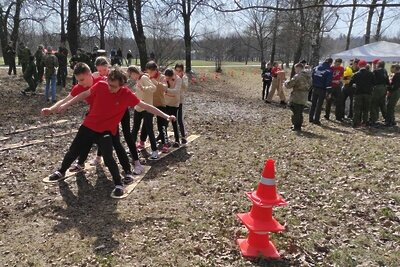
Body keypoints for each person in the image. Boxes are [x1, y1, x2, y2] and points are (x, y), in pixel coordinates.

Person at [43, 67, 175, 196]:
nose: (110, 88)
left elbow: (146, 106)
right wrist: (64, 105)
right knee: (74, 150)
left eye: (114, 86)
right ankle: (61, 171)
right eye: (109, 84)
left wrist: (166, 116)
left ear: (121, 85)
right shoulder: (101, 85)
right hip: (89, 125)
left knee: (108, 157)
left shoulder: (126, 94)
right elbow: (83, 94)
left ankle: (118, 184)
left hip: (105, 131)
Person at [127, 65, 159, 160]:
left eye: (131, 75)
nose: (131, 77)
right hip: (139, 107)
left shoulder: (144, 78)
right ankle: (132, 148)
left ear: (134, 73)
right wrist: (131, 96)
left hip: (147, 107)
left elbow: (153, 88)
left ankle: (154, 151)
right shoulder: (138, 80)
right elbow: (139, 93)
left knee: (149, 129)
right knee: (135, 129)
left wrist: (144, 88)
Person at [139, 61, 170, 153]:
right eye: (148, 72)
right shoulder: (146, 77)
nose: (149, 74)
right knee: (146, 124)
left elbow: (165, 88)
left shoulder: (162, 77)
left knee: (162, 125)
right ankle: (141, 142)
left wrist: (156, 82)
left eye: (151, 72)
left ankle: (165, 143)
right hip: (149, 104)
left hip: (160, 103)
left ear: (155, 70)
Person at [285, 63, 312, 131]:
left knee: (296, 112)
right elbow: (311, 86)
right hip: (305, 95)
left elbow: (289, 85)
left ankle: (296, 126)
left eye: (295, 68)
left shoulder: (298, 76)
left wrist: (286, 82)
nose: (295, 70)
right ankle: (298, 125)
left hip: (297, 96)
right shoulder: (309, 76)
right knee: (299, 111)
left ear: (298, 68)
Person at [348, 60, 374, 128]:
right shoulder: (371, 74)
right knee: (366, 109)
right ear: (365, 65)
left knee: (357, 109)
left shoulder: (356, 74)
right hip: (368, 93)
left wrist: (354, 85)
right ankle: (364, 123)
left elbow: (350, 84)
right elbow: (374, 83)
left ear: (359, 66)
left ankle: (355, 123)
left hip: (358, 93)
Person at [309, 58, 333, 125]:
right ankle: (316, 120)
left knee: (313, 103)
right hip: (322, 89)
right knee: (319, 105)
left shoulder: (316, 68)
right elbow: (328, 83)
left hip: (314, 87)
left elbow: (312, 77)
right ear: (330, 63)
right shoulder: (329, 71)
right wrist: (329, 92)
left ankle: (310, 118)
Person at [164, 68, 182, 147]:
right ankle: (164, 138)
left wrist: (166, 90)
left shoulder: (178, 79)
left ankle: (177, 140)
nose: (167, 79)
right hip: (165, 102)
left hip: (174, 103)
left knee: (174, 122)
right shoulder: (164, 78)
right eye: (166, 78)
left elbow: (176, 90)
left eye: (168, 78)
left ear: (172, 76)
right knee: (164, 121)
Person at [370, 60, 389, 126]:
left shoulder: (376, 71)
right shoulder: (385, 71)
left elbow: (372, 80)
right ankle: (387, 118)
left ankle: (373, 119)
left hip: (377, 88)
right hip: (384, 88)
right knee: (382, 103)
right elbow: (387, 80)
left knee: (374, 103)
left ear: (378, 64)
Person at [174, 63, 188, 145]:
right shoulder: (173, 76)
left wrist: (181, 79)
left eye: (180, 71)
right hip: (172, 101)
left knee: (179, 119)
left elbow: (185, 87)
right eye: (176, 70)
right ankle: (162, 136)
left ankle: (183, 136)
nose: (178, 72)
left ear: (182, 71)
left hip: (179, 101)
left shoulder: (184, 78)